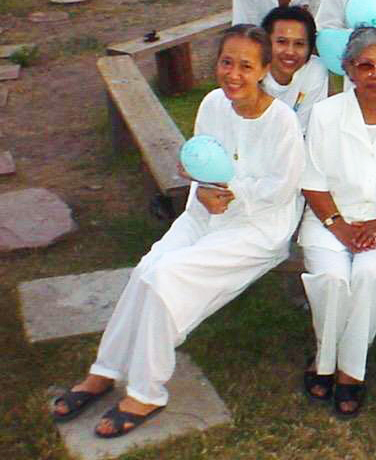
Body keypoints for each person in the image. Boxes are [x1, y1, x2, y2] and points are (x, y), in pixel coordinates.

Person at [51, 25, 304, 437]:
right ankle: (106, 369)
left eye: (245, 66)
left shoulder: (282, 122)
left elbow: (281, 189)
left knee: (166, 277)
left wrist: (232, 190)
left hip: (259, 227)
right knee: (146, 270)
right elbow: (203, 161)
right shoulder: (212, 104)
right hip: (205, 212)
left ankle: (147, 391)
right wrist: (203, 190)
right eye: (226, 62)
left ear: (263, 70)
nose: (233, 74)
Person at [298, 28, 376, 418]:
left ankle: (350, 372)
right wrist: (338, 224)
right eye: (365, 65)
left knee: (370, 277)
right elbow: (312, 179)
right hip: (328, 219)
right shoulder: (325, 114)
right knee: (332, 279)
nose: (375, 73)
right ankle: (325, 360)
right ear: (349, 68)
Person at [260, 5, 328, 134]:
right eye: (281, 42)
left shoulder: (315, 70)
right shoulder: (252, 72)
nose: (290, 52)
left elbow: (306, 130)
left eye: (299, 44)